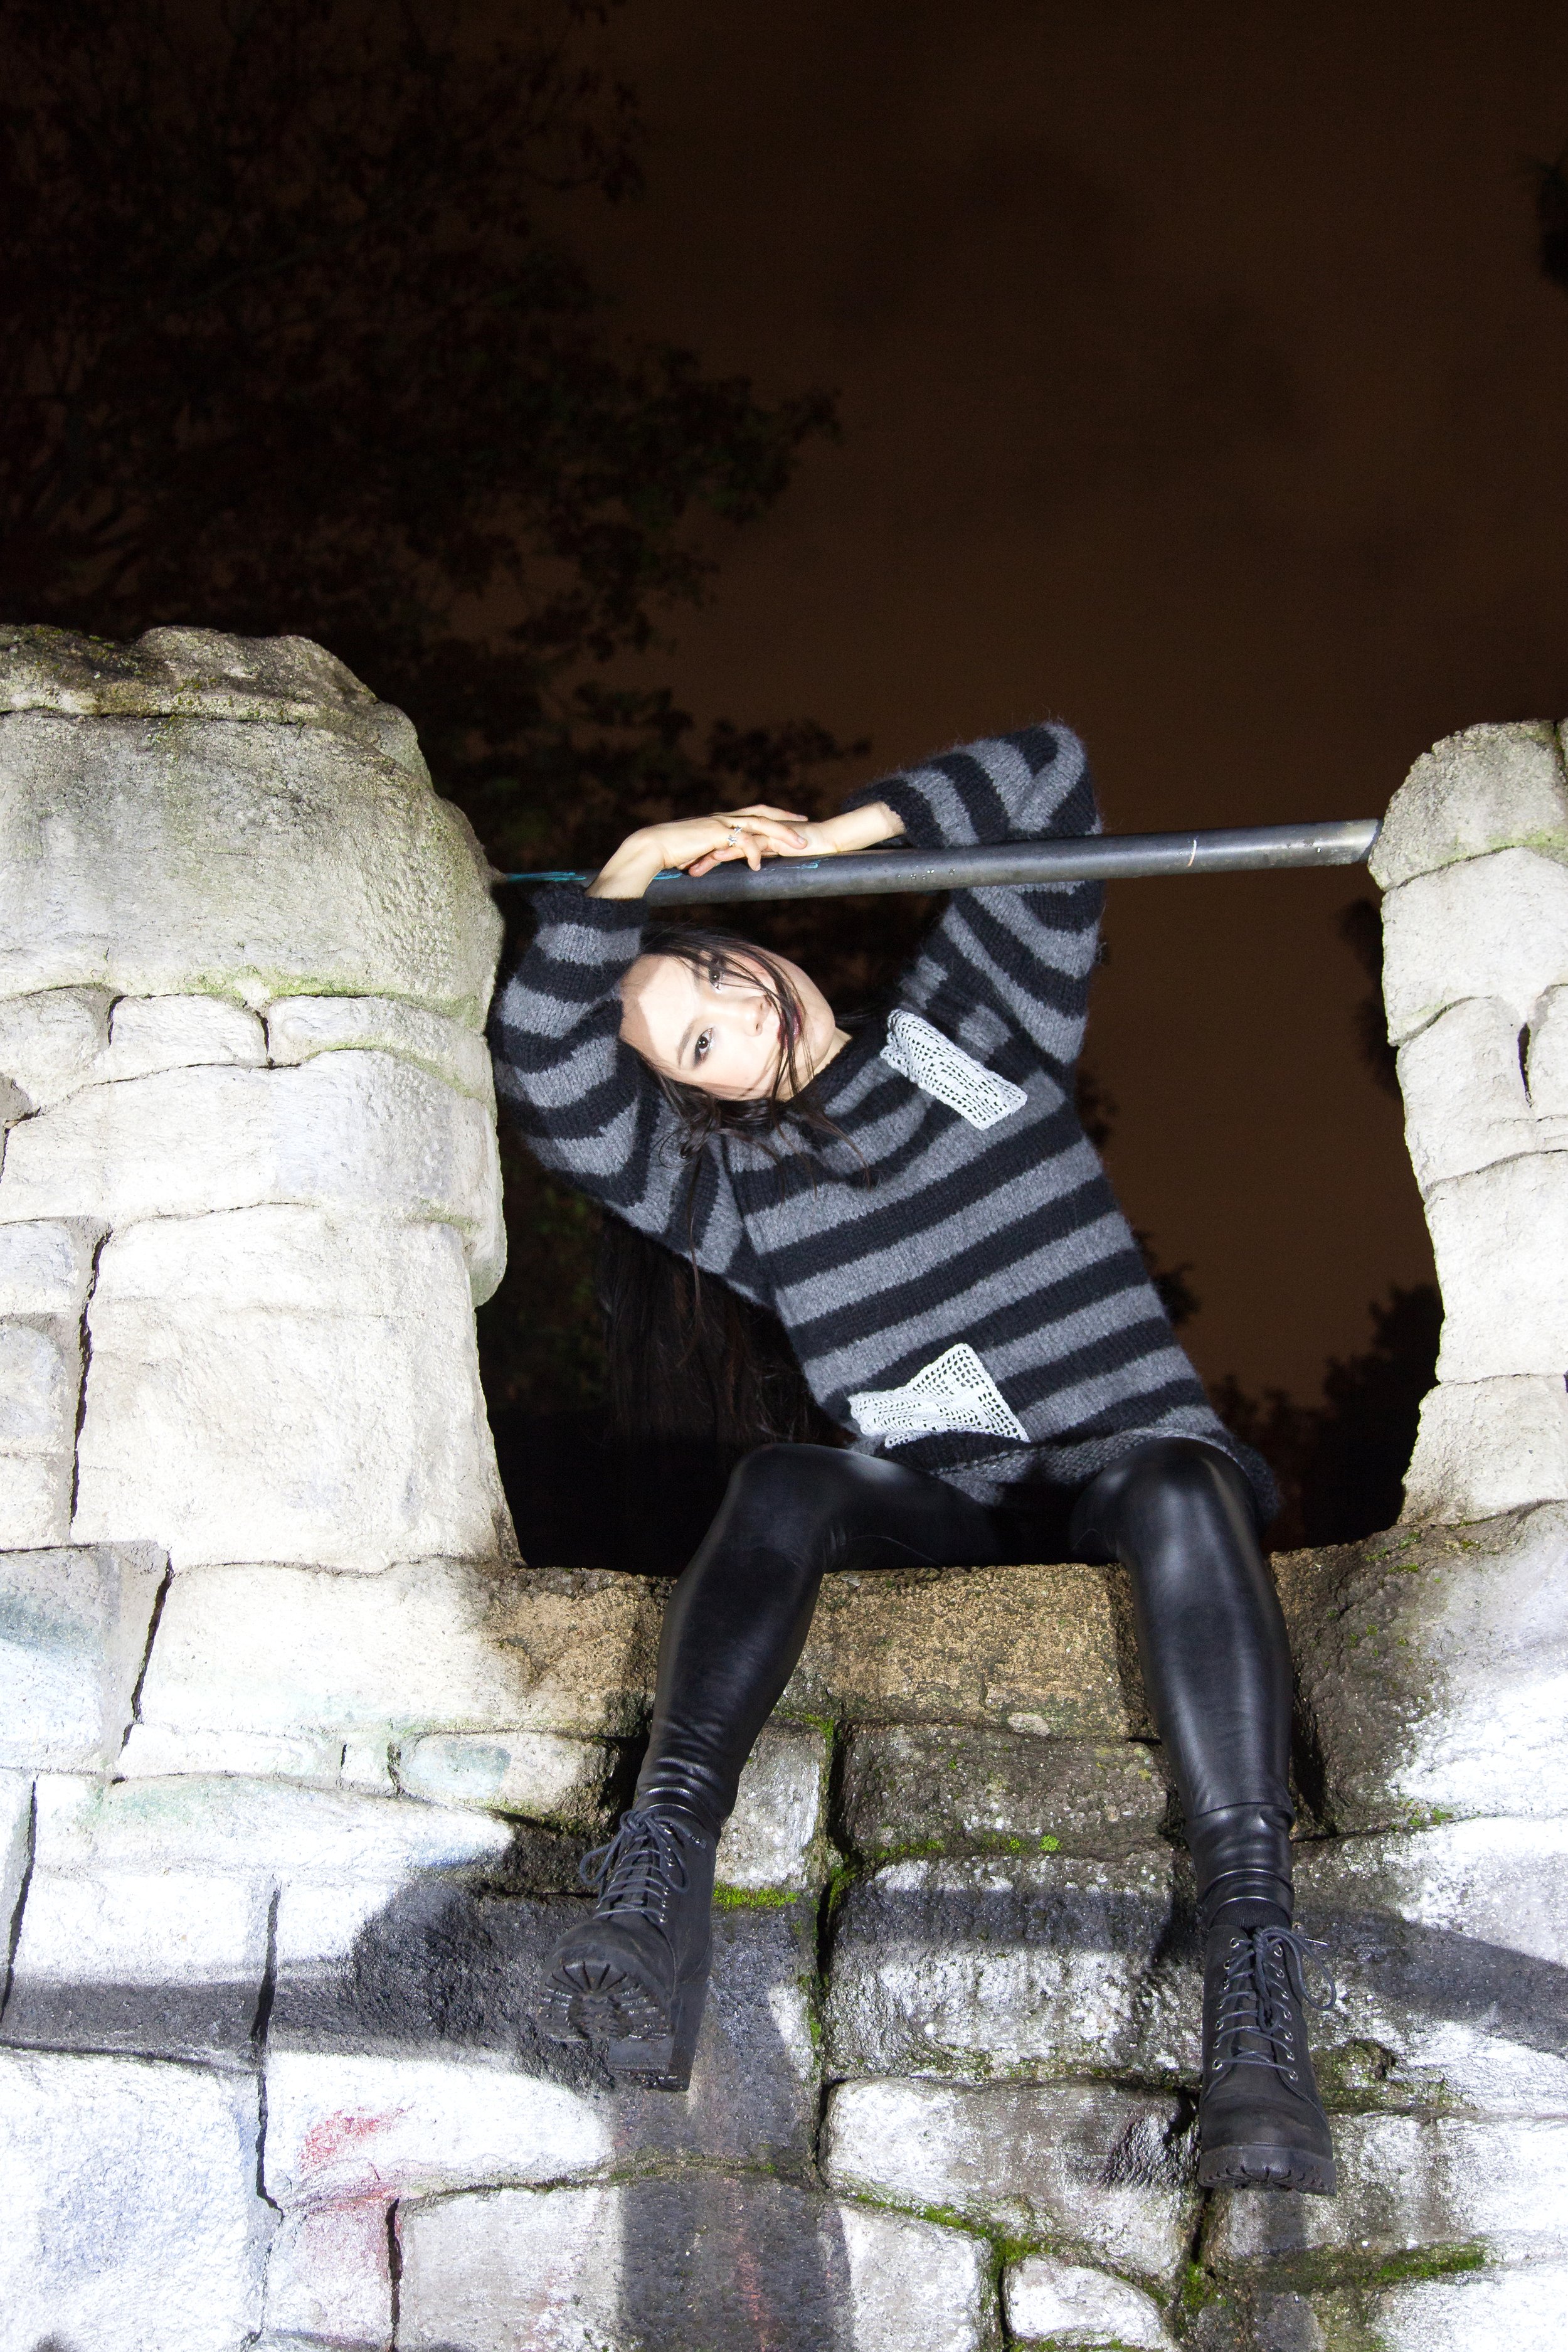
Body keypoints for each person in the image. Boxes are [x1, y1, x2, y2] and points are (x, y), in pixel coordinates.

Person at [490, 723, 1336, 2195]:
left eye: (716, 977)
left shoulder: (966, 1034)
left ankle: (1255, 1995)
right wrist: (620, 879)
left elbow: (1053, 776)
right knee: (779, 1479)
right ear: (693, 1089)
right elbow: (548, 1077)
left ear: (757, 948)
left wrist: (833, 838)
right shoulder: (728, 1190)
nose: (734, 1020)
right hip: (948, 1496)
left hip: (1124, 1463)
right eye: (693, 1043)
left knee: (1189, 1479)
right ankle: (657, 1887)